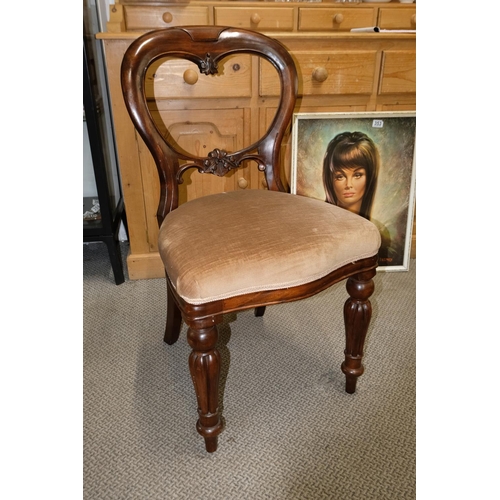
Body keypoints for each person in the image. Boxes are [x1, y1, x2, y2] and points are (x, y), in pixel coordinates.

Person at [322, 131, 379, 221]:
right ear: (330, 179)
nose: (348, 185)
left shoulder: (378, 230)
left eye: (357, 175)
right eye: (340, 176)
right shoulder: (318, 223)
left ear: (370, 177)